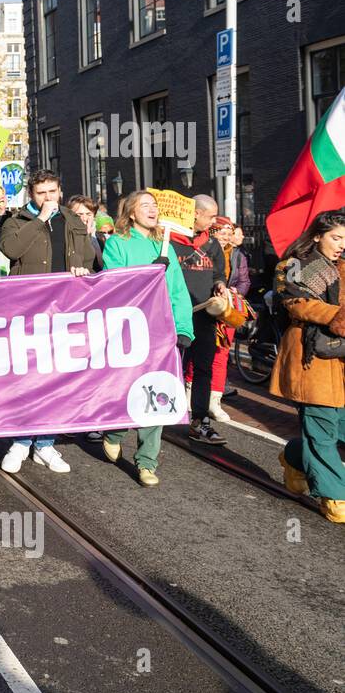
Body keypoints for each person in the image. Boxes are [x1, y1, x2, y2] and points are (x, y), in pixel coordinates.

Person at [0, 170, 99, 474]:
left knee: (57, 380)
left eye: (52, 192)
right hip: (29, 311)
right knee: (29, 379)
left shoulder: (72, 219)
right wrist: (40, 218)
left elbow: (87, 259)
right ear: (31, 195)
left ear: (60, 190)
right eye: (42, 193)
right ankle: (20, 441)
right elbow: (10, 250)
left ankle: (44, 444)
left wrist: (82, 269)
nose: (48, 198)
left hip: (65, 310)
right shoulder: (17, 221)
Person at [100, 191, 195, 486]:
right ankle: (115, 430)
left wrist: (183, 328)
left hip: (161, 330)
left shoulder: (164, 245)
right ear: (131, 213)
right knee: (127, 388)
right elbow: (114, 283)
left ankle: (146, 462)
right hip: (129, 328)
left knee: (157, 393)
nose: (152, 210)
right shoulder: (118, 243)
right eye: (145, 206)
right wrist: (148, 273)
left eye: (154, 205)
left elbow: (177, 290)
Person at [270, 210, 345, 523]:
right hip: (310, 358)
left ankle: (292, 457)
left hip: (340, 360)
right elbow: (296, 303)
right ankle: (335, 497)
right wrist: (337, 317)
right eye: (336, 237)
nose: (342, 244)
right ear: (317, 235)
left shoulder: (342, 267)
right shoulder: (293, 266)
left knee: (332, 428)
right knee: (322, 431)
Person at [170, 194, 228, 445]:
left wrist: (220, 285)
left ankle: (200, 420)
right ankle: (164, 413)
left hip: (205, 315)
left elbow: (218, 272)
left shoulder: (212, 244)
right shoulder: (169, 242)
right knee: (174, 367)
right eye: (211, 216)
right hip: (176, 316)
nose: (214, 221)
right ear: (195, 213)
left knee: (203, 367)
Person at [200, 216, 251, 422]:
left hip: (227, 309)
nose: (226, 237)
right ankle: (191, 393)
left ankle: (215, 400)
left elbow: (245, 281)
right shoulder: (202, 251)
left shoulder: (237, 256)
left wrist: (233, 292)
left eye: (229, 234)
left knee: (221, 354)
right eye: (222, 233)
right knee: (201, 351)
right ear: (212, 233)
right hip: (205, 308)